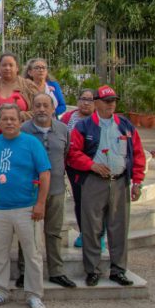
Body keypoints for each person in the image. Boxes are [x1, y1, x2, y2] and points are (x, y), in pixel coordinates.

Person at [68, 85, 146, 287]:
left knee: (119, 227)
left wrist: (137, 181)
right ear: (96, 103)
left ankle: (118, 270)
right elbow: (73, 154)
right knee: (91, 227)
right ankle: (92, 270)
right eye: (106, 100)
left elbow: (137, 154)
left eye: (113, 100)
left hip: (119, 182)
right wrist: (91, 165)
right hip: (94, 182)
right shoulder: (84, 126)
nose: (111, 104)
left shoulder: (125, 126)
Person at [0, 104, 51, 308]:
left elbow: (45, 174)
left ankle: (34, 295)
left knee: (32, 253)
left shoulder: (31, 143)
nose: (9, 122)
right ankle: (0, 290)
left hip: (27, 207)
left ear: (20, 121)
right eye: (5, 119)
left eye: (13, 119)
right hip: (0, 207)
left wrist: (40, 203)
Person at [16, 93, 76, 288]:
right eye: (38, 105)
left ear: (52, 108)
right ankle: (24, 271)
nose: (41, 109)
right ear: (32, 108)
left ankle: (56, 271)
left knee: (54, 231)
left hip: (56, 188)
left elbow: (65, 154)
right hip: (29, 190)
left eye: (45, 105)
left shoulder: (63, 129)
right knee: (27, 233)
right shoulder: (23, 130)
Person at [61, 89, 95, 246]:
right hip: (72, 165)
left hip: (94, 166)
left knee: (94, 202)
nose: (86, 102)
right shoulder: (69, 117)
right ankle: (83, 232)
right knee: (79, 200)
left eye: (90, 100)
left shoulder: (98, 119)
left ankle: (96, 235)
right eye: (83, 99)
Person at [0, 53, 38, 122]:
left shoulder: (28, 85)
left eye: (11, 65)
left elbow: (39, 109)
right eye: (4, 65)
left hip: (23, 130)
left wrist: (21, 115)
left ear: (17, 68)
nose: (7, 68)